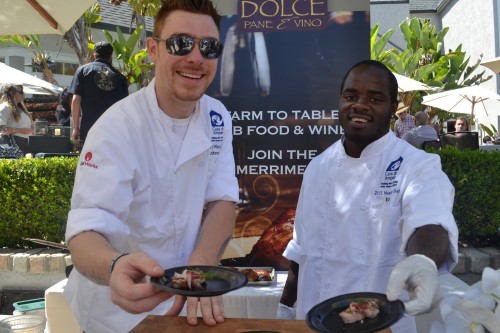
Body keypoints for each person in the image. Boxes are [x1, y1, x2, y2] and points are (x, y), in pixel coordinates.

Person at [63, 1, 238, 332]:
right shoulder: (116, 127)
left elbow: (223, 199)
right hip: (116, 312)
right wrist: (115, 267)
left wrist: (201, 264)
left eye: (209, 47)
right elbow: (86, 230)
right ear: (153, 50)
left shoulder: (217, 117)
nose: (196, 58)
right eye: (181, 43)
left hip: (185, 302)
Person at [276, 60, 458, 333]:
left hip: (379, 324)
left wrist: (423, 260)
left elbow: (429, 219)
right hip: (312, 320)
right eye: (351, 96)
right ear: (340, 101)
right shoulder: (318, 167)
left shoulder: (416, 165)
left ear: (393, 107)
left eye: (375, 98)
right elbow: (301, 252)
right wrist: (285, 308)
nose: (360, 105)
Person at [68, 41, 129, 145]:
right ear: (110, 56)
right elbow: (125, 107)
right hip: (113, 131)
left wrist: (75, 128)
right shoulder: (120, 78)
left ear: (94, 55)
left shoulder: (83, 71)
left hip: (89, 128)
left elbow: (75, 100)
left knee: (89, 160)